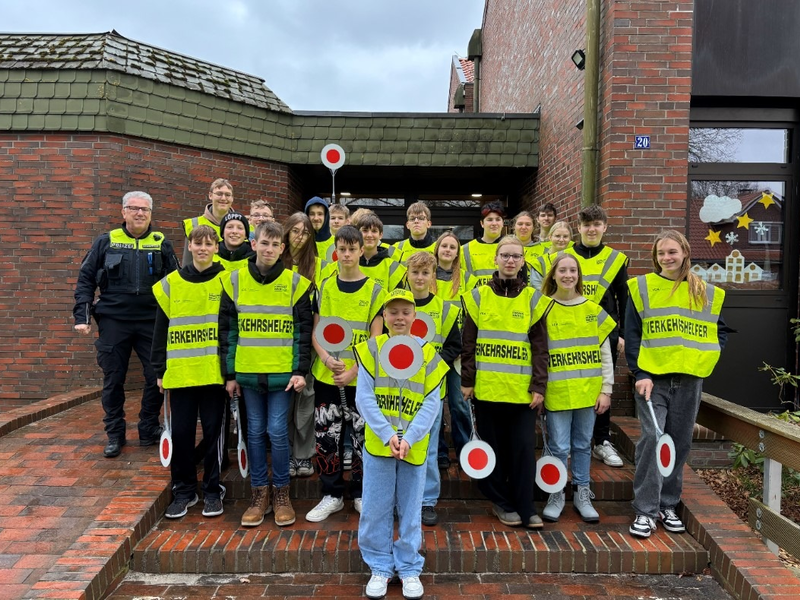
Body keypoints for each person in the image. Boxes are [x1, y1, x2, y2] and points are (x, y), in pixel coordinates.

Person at [626, 230, 729, 539]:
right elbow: (632, 333)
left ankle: (667, 505)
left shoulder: (705, 291)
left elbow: (719, 331)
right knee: (654, 439)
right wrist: (639, 373)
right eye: (661, 253)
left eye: (672, 251)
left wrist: (707, 357)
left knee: (679, 442)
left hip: (689, 380)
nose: (666, 257)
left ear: (685, 252)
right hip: (653, 379)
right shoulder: (642, 287)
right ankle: (645, 510)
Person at [354, 288, 449, 600]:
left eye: (405, 312)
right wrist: (387, 434)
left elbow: (432, 403)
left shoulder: (429, 354)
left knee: (411, 509)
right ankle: (379, 566)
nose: (399, 318)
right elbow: (364, 398)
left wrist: (409, 437)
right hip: (379, 445)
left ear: (414, 316)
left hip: (414, 445)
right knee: (375, 507)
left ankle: (408, 567)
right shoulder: (371, 350)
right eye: (393, 312)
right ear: (384, 316)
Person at [219, 221, 313, 528]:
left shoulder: (296, 283)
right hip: (247, 373)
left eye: (275, 244)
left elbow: (302, 332)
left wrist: (300, 370)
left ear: (282, 248)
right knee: (256, 432)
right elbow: (228, 332)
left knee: (276, 431)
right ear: (253, 244)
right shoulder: (234, 281)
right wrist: (230, 374)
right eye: (264, 243)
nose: (269, 249)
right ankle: (259, 494)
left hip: (282, 375)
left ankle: (282, 493)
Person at [73, 191, 178, 458]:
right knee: (113, 379)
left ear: (151, 214)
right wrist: (82, 316)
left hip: (151, 321)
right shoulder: (106, 241)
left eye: (145, 209)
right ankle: (115, 434)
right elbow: (86, 279)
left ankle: (148, 427)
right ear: (123, 212)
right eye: (134, 208)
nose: (139, 213)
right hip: (114, 320)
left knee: (157, 376)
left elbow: (177, 283)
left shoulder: (161, 243)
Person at [461, 235, 552, 529]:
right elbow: (468, 344)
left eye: (516, 256)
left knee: (523, 450)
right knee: (493, 451)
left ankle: (526, 507)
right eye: (505, 255)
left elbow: (541, 348)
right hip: (486, 390)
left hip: (521, 393)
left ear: (523, 261)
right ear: (496, 259)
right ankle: (501, 502)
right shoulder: (478, 297)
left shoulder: (533, 299)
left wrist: (539, 386)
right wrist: (467, 380)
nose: (510, 260)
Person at [306, 225, 386, 522]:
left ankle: (362, 493)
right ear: (336, 252)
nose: (348, 254)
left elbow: (377, 339)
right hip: (327, 376)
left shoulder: (376, 290)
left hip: (360, 378)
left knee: (363, 438)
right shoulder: (325, 286)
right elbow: (316, 330)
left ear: (362, 250)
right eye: (343, 249)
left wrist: (354, 370)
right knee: (327, 436)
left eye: (353, 249)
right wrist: (326, 358)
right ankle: (332, 494)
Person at [151, 225, 228, 519]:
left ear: (216, 248)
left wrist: (230, 371)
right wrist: (160, 370)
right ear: (190, 247)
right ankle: (184, 491)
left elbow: (230, 329)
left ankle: (212, 490)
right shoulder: (170, 283)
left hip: (213, 374)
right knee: (182, 434)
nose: (203, 248)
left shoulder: (227, 281)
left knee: (213, 435)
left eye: (209, 244)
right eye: (198, 243)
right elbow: (160, 330)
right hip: (181, 373)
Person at [539, 253, 615, 523]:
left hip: (588, 391)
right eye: (562, 270)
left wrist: (606, 389)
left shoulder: (593, 309)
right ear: (553, 274)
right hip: (557, 391)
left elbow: (605, 353)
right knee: (558, 447)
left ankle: (583, 493)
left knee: (583, 445)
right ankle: (556, 492)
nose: (568, 275)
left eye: (573, 270)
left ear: (579, 275)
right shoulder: (542, 308)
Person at [566, 205, 628, 468]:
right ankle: (570, 441)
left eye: (596, 224)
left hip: (604, 332)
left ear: (604, 227)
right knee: (569, 383)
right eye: (587, 225)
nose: (591, 229)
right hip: (569, 330)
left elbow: (624, 299)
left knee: (604, 385)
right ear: (578, 227)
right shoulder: (563, 256)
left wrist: (622, 333)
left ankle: (601, 441)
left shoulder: (616, 259)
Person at [405, 251, 461, 527]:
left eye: (425, 273)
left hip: (431, 391)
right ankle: (404, 499)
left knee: (427, 448)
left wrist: (432, 364)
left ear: (433, 276)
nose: (419, 278)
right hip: (399, 391)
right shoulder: (396, 306)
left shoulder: (445, 309)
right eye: (415, 272)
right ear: (407, 274)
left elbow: (454, 346)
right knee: (402, 444)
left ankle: (427, 500)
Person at [280, 212, 323, 478]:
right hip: (282, 344)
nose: (299, 236)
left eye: (305, 232)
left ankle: (303, 455)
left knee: (306, 403)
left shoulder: (318, 266)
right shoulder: (278, 262)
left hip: (309, 343)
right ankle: (286, 454)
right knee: (283, 402)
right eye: (295, 231)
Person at [432, 231, 475, 470]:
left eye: (452, 247)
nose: (448, 250)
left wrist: (464, 346)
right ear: (437, 249)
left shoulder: (467, 280)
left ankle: (465, 451)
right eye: (444, 246)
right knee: (435, 406)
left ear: (458, 253)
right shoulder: (427, 276)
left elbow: (472, 317)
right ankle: (439, 453)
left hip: (458, 353)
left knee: (459, 404)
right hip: (434, 353)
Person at [322, 214, 407, 291]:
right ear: (358, 234)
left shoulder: (392, 268)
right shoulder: (340, 265)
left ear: (380, 235)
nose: (369, 235)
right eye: (365, 230)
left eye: (374, 231)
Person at [182, 178, 236, 264]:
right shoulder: (193, 224)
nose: (223, 198)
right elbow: (187, 263)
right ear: (210, 195)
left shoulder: (244, 228)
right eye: (219, 194)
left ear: (232, 198)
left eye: (228, 195)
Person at [462, 201, 506, 286]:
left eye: (498, 219)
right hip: (475, 294)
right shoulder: (464, 250)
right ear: (482, 223)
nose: (494, 223)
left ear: (503, 223)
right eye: (489, 220)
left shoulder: (513, 248)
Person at [529, 220, 574, 290]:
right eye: (557, 236)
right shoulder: (539, 263)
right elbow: (536, 289)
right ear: (550, 237)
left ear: (570, 238)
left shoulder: (575, 259)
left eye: (565, 236)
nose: (561, 240)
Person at [305, 196, 335, 261]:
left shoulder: (336, 243)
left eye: (320, 214)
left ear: (326, 216)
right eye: (312, 214)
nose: (316, 218)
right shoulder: (301, 242)